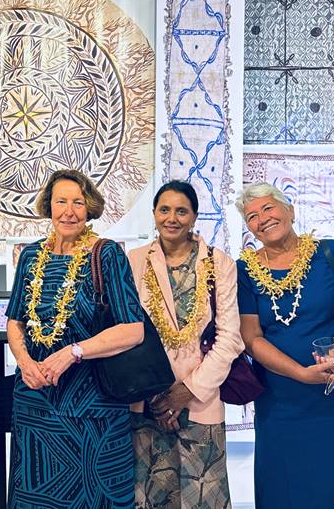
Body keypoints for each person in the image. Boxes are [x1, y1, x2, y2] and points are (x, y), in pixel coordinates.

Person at [235, 182, 334, 508]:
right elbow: (251, 338)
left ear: (289, 210)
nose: (263, 218)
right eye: (252, 216)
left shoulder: (331, 253)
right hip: (282, 402)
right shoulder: (244, 270)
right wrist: (300, 373)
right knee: (287, 487)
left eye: (268, 208)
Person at [5, 169, 145, 508]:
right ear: (48, 207)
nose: (69, 211)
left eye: (78, 203)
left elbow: (133, 329)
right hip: (37, 403)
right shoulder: (30, 256)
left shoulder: (107, 255)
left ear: (90, 208)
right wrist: (24, 362)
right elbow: (15, 321)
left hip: (92, 407)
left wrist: (74, 352)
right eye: (61, 202)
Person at [127, 180, 242, 508]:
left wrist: (186, 391)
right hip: (148, 401)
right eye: (165, 210)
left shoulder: (218, 263)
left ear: (194, 217)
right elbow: (129, 332)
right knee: (150, 496)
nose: (172, 218)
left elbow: (230, 337)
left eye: (181, 211)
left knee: (201, 498)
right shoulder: (134, 261)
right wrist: (158, 396)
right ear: (154, 214)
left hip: (201, 399)